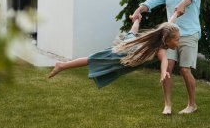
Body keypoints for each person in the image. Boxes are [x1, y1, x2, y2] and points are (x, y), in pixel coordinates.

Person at [131, 0, 202, 115]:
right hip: (170, 36)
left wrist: (183, 4)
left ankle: (192, 104)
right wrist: (138, 10)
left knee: (184, 69)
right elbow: (152, 1)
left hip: (189, 34)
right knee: (167, 68)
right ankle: (168, 105)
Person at [48, 16, 180, 90]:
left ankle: (137, 19)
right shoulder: (161, 49)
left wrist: (176, 15)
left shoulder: (162, 36)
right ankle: (62, 65)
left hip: (131, 44)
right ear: (166, 39)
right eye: (177, 40)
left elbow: (168, 25)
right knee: (92, 59)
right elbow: (164, 60)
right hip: (121, 54)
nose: (178, 43)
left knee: (132, 33)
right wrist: (163, 72)